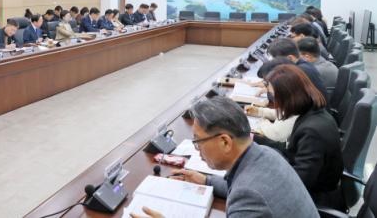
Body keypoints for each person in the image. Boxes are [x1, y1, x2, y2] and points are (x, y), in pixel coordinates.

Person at [131, 96, 319, 218]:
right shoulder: (265, 154)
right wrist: (206, 180)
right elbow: (240, 183)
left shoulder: (249, 197)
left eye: (198, 141)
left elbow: (247, 191)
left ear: (225, 142)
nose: (197, 149)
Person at [257, 64, 343, 208]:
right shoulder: (312, 113)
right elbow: (293, 150)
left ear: (287, 96)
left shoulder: (312, 130)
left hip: (313, 201)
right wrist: (257, 140)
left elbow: (300, 180)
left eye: (275, 96)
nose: (275, 101)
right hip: (312, 191)